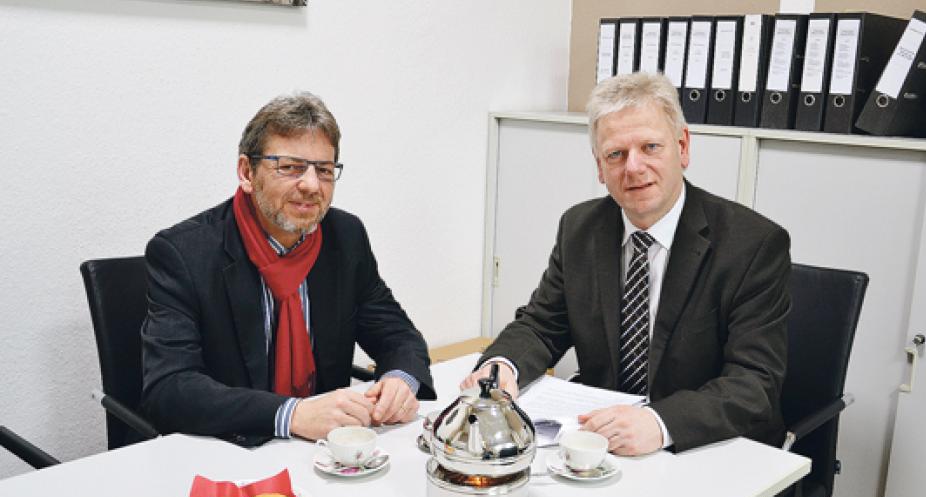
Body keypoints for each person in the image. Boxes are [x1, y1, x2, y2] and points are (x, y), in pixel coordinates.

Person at [461, 72, 791, 456]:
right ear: (600, 167)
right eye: (615, 154)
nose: (633, 168)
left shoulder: (752, 244)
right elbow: (541, 325)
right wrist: (502, 367)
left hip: (705, 449)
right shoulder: (579, 229)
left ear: (683, 148)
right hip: (603, 445)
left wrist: (659, 422)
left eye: (650, 147)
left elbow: (754, 384)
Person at [142, 92, 434, 447]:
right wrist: (291, 414)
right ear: (247, 173)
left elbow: (398, 334)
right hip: (229, 453)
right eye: (290, 167)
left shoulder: (345, 236)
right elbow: (171, 387)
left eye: (324, 170)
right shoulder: (184, 253)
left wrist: (402, 380)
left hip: (324, 453)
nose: (311, 185)